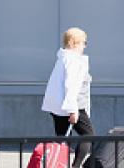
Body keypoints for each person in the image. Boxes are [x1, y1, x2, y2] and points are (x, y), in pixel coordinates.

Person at [42, 27, 94, 168]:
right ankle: (75, 166)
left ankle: (57, 164)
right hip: (72, 105)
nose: (85, 45)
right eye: (84, 42)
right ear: (75, 43)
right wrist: (73, 109)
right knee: (88, 135)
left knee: (62, 140)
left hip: (56, 106)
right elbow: (71, 85)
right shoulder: (74, 60)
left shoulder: (62, 58)